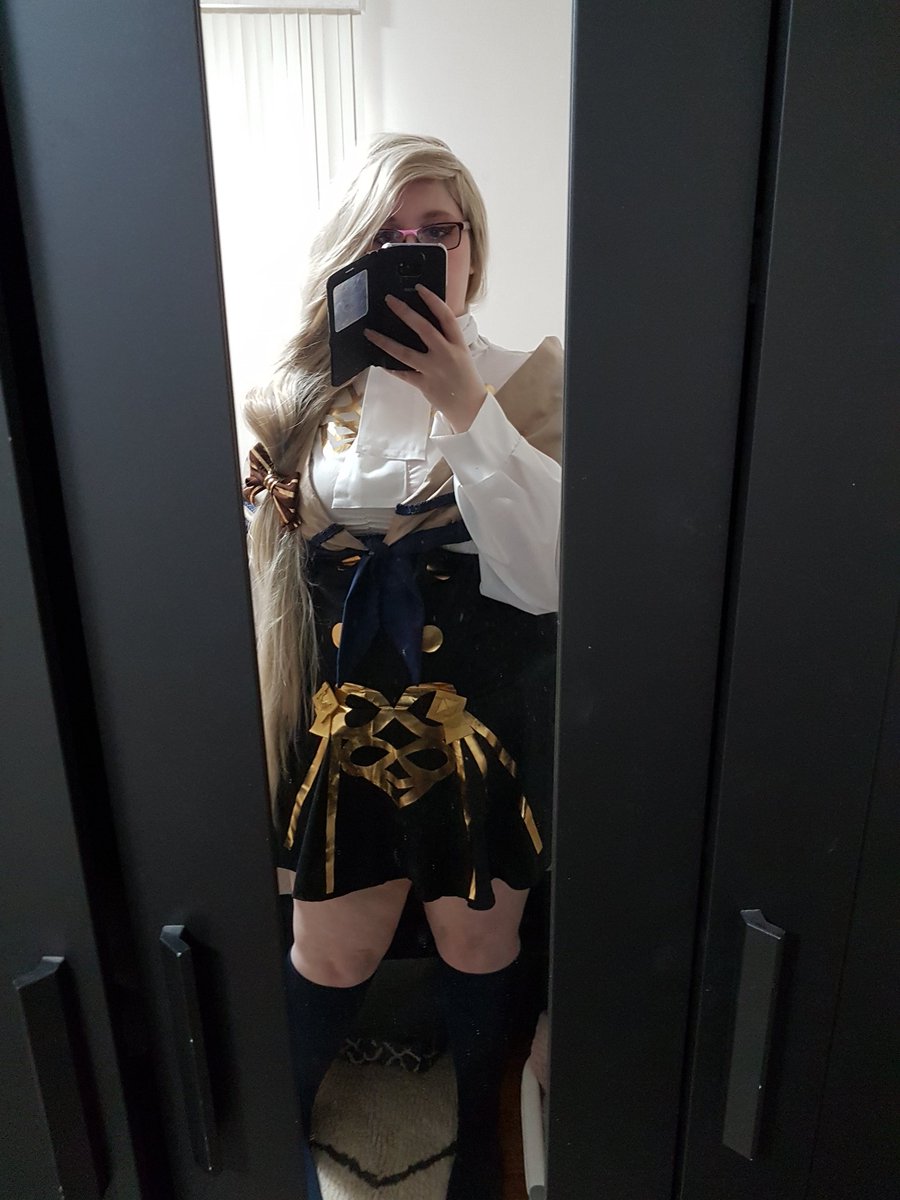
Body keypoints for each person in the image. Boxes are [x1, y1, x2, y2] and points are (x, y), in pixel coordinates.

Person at [242, 132, 562, 1200]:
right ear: (351, 256)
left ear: (472, 248)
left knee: (478, 943)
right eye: (387, 235)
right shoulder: (305, 398)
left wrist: (468, 405)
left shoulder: (528, 381)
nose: (416, 250)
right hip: (344, 725)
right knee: (331, 950)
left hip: (482, 724)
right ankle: (269, 1134)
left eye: (438, 231)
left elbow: (545, 579)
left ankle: (481, 1143)